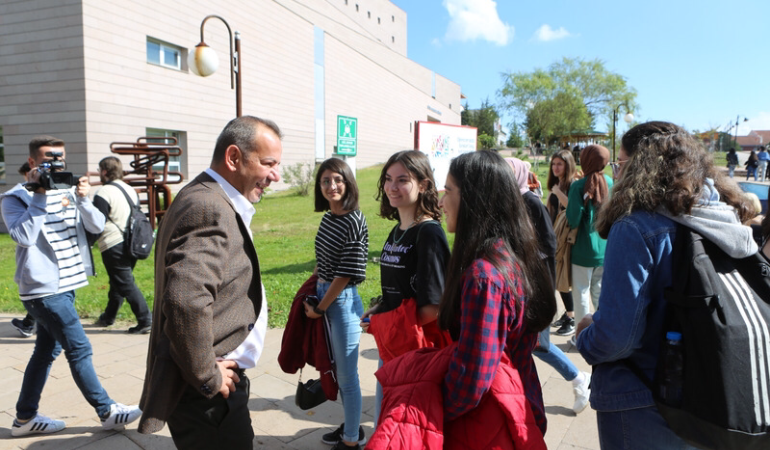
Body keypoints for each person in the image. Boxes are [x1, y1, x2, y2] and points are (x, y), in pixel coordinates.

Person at [576, 121, 756, 449]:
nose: (617, 173)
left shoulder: (635, 228)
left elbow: (617, 338)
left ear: (638, 168)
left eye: (621, 164)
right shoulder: (724, 220)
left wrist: (585, 335)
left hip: (641, 402)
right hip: (709, 397)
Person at [138, 116, 282, 449]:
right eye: (268, 163)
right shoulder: (208, 205)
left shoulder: (206, 195)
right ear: (234, 158)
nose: (275, 175)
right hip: (207, 396)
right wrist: (207, 376)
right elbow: (185, 300)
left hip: (206, 387)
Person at [1, 136, 141, 437]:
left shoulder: (68, 192)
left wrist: (83, 199)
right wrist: (39, 194)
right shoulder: (14, 197)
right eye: (48, 160)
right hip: (43, 291)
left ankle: (24, 419)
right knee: (79, 347)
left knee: (45, 351)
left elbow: (96, 226)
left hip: (67, 285)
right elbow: (23, 237)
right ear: (32, 163)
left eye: (59, 160)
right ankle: (107, 411)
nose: (55, 165)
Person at [439, 150, 555, 439]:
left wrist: (429, 407)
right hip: (517, 404)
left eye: (448, 191)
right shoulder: (510, 252)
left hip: (492, 424)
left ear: (473, 199)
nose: (441, 202)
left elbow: (472, 380)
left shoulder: (484, 277)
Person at [361, 150, 450, 426]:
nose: (392, 187)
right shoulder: (398, 229)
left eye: (402, 180)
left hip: (415, 351)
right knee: (385, 424)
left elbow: (433, 308)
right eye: (388, 179)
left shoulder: (429, 233)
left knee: (398, 430)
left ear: (423, 185)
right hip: (393, 345)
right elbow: (399, 288)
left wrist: (382, 321)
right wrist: (379, 306)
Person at [507, 157, 591, 414]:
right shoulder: (508, 201)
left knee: (537, 343)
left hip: (533, 284)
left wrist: (543, 286)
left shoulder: (530, 201)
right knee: (525, 343)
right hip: (515, 282)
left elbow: (548, 246)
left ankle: (578, 377)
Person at [305, 158, 368, 450]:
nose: (332, 186)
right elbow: (324, 258)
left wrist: (320, 309)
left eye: (338, 180)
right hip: (323, 294)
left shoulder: (355, 220)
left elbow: (345, 274)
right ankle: (351, 426)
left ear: (348, 182)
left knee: (347, 376)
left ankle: (352, 440)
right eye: (326, 181)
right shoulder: (329, 217)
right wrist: (313, 284)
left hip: (340, 302)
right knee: (335, 371)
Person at [92, 156, 152, 334]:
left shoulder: (103, 193)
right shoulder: (130, 190)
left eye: (98, 170)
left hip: (113, 243)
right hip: (132, 241)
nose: (98, 173)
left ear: (104, 171)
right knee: (117, 281)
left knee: (125, 283)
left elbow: (97, 223)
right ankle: (108, 317)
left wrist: (87, 244)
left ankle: (145, 319)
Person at [566, 144, 613, 345]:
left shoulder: (579, 185)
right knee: (599, 293)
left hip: (583, 250)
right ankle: (605, 332)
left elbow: (573, 219)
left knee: (581, 294)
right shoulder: (610, 182)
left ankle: (581, 338)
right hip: (605, 248)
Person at [546, 149, 578, 336]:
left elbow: (572, 209)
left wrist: (557, 192)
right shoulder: (555, 184)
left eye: (560, 164)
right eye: (553, 164)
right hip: (553, 237)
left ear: (568, 165)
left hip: (566, 239)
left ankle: (572, 317)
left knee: (563, 279)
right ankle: (567, 314)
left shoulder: (572, 185)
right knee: (558, 279)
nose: (555, 167)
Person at [10, 162, 37, 338]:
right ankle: (30, 323)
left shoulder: (29, 195)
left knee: (38, 293)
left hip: (34, 254)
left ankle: (29, 324)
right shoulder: (18, 196)